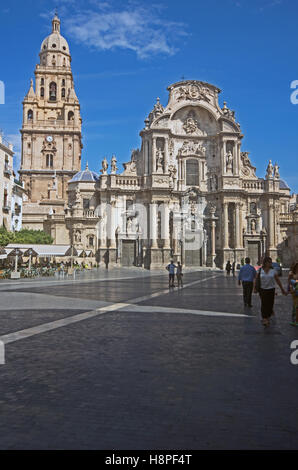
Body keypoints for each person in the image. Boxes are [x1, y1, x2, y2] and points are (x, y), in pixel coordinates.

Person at [254, 256, 287, 327]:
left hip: (271, 289)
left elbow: (278, 280)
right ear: (265, 263)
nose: (270, 263)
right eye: (269, 262)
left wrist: (282, 289)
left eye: (270, 262)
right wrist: (254, 288)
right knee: (264, 304)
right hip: (262, 289)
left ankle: (268, 316)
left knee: (270, 304)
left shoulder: (273, 270)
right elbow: (256, 279)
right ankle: (264, 318)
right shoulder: (260, 270)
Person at [288, 262, 298, 326]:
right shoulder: (292, 273)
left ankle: (296, 321)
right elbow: (289, 281)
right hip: (294, 291)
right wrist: (290, 289)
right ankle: (295, 318)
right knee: (295, 305)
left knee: (297, 306)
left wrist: (296, 281)